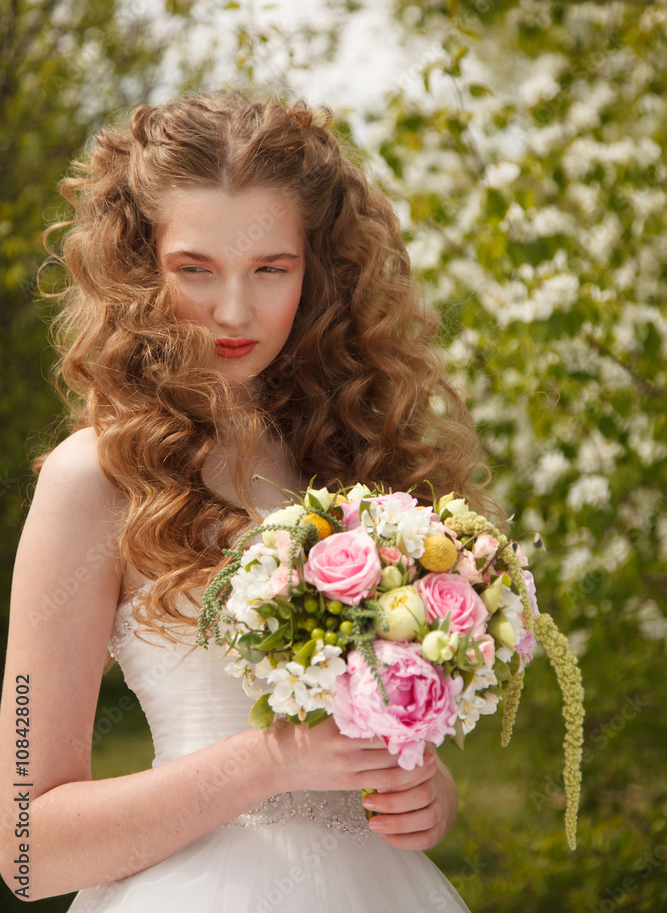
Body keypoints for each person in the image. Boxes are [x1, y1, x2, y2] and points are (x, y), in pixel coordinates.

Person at [0, 89, 493, 911]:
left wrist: (423, 792)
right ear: (138, 265)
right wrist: (271, 762)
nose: (234, 311)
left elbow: (375, 744)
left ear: (320, 268)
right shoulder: (94, 477)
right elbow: (25, 850)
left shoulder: (360, 460)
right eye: (195, 269)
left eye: (271, 269)